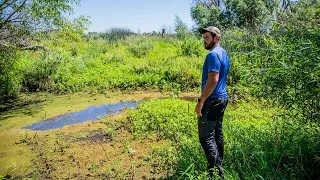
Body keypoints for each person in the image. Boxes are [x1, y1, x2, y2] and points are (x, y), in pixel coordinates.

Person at [195, 26, 230, 178]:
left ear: (216, 38)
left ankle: (215, 172)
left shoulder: (212, 55)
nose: (204, 41)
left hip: (212, 100)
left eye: (207, 38)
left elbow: (213, 79)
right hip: (222, 98)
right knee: (217, 133)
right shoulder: (224, 53)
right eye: (203, 38)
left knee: (205, 137)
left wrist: (201, 101)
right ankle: (219, 166)